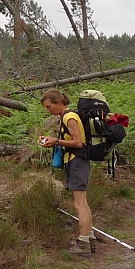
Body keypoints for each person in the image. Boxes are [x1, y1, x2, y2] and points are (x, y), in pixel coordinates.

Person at [38, 89, 96, 255]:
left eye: (49, 107)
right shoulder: (67, 116)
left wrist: (55, 141)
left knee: (79, 204)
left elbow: (78, 142)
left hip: (77, 161)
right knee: (83, 203)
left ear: (58, 102)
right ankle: (89, 239)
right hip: (76, 162)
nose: (48, 110)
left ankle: (83, 243)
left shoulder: (69, 117)